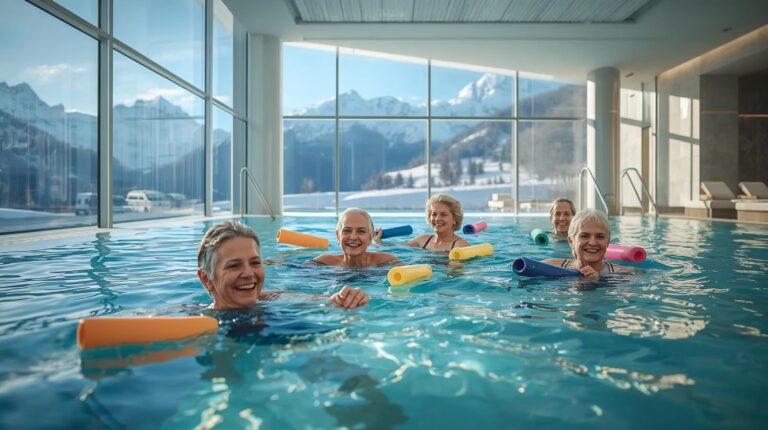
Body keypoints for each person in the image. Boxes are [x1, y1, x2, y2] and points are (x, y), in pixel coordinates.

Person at [197, 221, 369, 310]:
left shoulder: (271, 298)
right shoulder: (194, 320)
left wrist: (351, 298)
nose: (249, 273)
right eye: (234, 266)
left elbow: (330, 301)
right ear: (206, 279)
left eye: (255, 263)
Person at [543, 208, 632, 279]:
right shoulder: (550, 266)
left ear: (607, 242)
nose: (593, 243)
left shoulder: (624, 274)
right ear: (571, 241)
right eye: (584, 236)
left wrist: (598, 282)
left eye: (600, 237)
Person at [311, 208, 399, 267]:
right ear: (338, 235)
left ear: (370, 237)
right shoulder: (323, 263)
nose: (353, 237)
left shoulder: (386, 262)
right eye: (347, 230)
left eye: (361, 231)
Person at [402, 194, 470, 252]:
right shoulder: (421, 240)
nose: (437, 219)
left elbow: (456, 268)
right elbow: (396, 247)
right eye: (434, 214)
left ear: (455, 219)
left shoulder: (461, 246)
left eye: (443, 214)